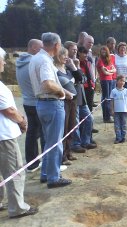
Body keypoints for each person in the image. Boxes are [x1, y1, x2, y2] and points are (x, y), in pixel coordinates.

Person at [29, 32, 72, 189]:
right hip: (51, 103)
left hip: (41, 103)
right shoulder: (45, 61)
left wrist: (63, 92)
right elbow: (47, 84)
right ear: (56, 45)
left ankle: (46, 173)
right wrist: (61, 92)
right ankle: (54, 177)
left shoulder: (36, 58)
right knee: (55, 142)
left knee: (49, 141)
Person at [0, 46, 38, 218]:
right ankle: (17, 207)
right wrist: (22, 121)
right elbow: (8, 110)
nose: (4, 62)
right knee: (14, 171)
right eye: (2, 59)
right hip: (4, 135)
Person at [15, 39, 45, 172]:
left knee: (32, 133)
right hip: (36, 101)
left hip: (27, 101)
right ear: (33, 47)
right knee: (42, 133)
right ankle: (43, 162)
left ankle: (32, 162)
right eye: (40, 47)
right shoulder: (32, 62)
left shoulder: (20, 62)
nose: (43, 50)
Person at [54, 46, 79, 165]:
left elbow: (80, 78)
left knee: (71, 127)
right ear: (57, 56)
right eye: (63, 54)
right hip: (64, 101)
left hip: (73, 101)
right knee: (64, 129)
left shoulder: (68, 70)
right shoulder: (54, 70)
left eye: (66, 55)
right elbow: (56, 86)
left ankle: (68, 152)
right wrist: (65, 93)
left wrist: (73, 66)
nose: (66, 57)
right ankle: (62, 156)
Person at [70, 46, 97, 152]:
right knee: (76, 121)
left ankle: (86, 141)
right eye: (83, 53)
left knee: (89, 118)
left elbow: (85, 77)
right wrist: (76, 67)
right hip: (75, 95)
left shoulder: (87, 63)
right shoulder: (72, 64)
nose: (86, 55)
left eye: (86, 53)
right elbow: (80, 78)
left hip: (84, 94)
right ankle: (76, 143)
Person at [96, 46, 116, 123]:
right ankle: (106, 117)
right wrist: (110, 71)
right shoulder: (100, 60)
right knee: (106, 99)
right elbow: (104, 72)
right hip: (104, 80)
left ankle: (108, 116)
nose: (103, 52)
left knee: (109, 98)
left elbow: (114, 69)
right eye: (102, 51)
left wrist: (109, 71)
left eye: (105, 51)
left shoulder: (109, 60)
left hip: (110, 80)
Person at [110, 75, 127, 144]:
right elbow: (112, 101)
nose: (122, 82)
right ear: (117, 81)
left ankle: (123, 137)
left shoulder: (126, 91)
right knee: (117, 125)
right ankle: (118, 137)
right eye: (121, 80)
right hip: (116, 111)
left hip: (124, 111)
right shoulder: (113, 91)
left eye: (124, 81)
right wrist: (112, 110)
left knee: (124, 125)